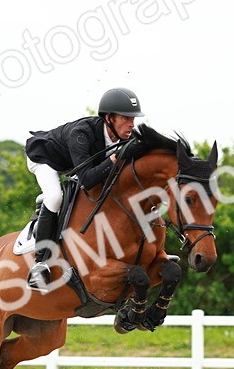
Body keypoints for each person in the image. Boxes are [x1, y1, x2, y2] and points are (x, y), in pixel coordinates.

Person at [23, 87, 144, 289]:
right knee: (54, 197)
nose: (131, 124)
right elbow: (88, 179)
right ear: (109, 118)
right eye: (125, 118)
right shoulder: (82, 134)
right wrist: (115, 157)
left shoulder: (124, 136)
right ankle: (39, 264)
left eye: (133, 119)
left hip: (74, 163)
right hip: (44, 159)